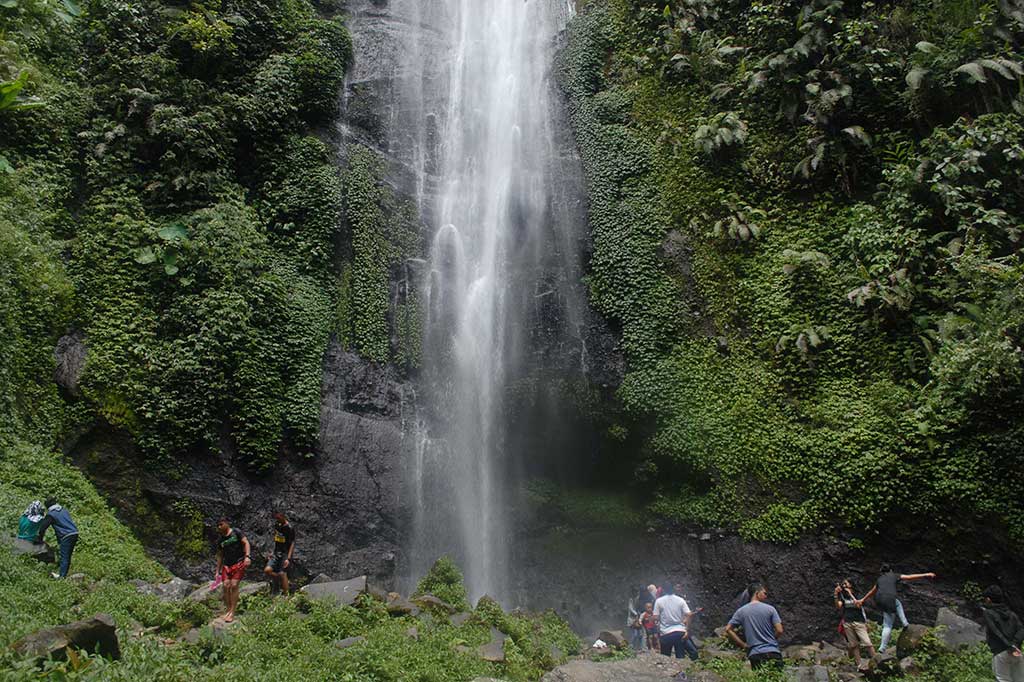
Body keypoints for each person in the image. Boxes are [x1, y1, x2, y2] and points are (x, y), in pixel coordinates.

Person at [862, 564, 936, 653]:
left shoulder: (879, 579)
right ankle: (904, 623)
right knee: (890, 620)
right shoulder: (894, 575)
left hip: (879, 599)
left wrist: (862, 600)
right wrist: (926, 574)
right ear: (890, 570)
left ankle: (882, 648)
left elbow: (872, 591)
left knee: (887, 623)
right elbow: (909, 577)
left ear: (882, 572)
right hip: (890, 598)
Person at [725, 581, 784, 671]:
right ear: (757, 593)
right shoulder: (770, 609)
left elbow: (728, 629)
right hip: (773, 652)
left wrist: (743, 645)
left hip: (755, 654)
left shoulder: (741, 611)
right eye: (764, 593)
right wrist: (771, 639)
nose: (766, 595)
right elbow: (780, 630)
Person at [982, 585, 1024, 682]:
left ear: (988, 599)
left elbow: (995, 631)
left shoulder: (988, 613)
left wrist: (1009, 645)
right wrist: (1015, 644)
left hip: (1001, 652)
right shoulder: (1012, 614)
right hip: (1017, 652)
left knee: (1003, 680)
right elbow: (1021, 629)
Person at [835, 578, 875, 669]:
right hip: (847, 622)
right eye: (843, 584)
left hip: (859, 622)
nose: (844, 585)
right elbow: (838, 606)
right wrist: (836, 594)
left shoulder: (858, 594)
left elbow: (858, 604)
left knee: (867, 642)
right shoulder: (842, 596)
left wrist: (850, 594)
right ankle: (859, 665)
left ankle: (877, 660)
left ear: (851, 585)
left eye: (846, 584)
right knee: (854, 645)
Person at [215, 518, 250, 623]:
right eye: (218, 525)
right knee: (226, 586)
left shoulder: (236, 532)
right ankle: (228, 609)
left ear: (226, 523)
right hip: (227, 565)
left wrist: (247, 556)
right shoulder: (220, 540)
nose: (219, 527)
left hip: (238, 562)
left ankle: (233, 612)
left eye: (221, 524)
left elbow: (246, 543)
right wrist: (217, 571)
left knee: (234, 585)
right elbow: (220, 556)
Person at [35, 497, 79, 579]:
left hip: (66, 535)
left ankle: (62, 577)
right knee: (68, 555)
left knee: (64, 556)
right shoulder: (63, 510)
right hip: (74, 532)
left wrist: (39, 539)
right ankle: (64, 573)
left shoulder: (51, 514)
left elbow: (43, 527)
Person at [654, 582, 699, 660]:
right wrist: (687, 630)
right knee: (680, 657)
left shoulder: (659, 601)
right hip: (679, 632)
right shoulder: (680, 600)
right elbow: (689, 615)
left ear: (663, 590)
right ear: (673, 589)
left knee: (665, 658)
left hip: (665, 633)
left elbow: (656, 618)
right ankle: (682, 671)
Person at [263, 512, 295, 596]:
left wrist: (288, 558)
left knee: (282, 573)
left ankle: (286, 596)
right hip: (276, 553)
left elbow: (292, 543)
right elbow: (275, 539)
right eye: (276, 519)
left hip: (285, 553)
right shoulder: (277, 525)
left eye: (279, 518)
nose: (277, 520)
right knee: (267, 570)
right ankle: (277, 582)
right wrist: (271, 552)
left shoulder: (289, 528)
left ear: (283, 517)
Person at [627, 586, 646, 651]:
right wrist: (636, 613)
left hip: (639, 619)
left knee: (640, 634)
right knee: (634, 634)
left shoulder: (639, 598)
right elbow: (630, 608)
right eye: (636, 592)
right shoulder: (631, 599)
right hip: (632, 620)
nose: (638, 593)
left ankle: (639, 647)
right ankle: (631, 647)